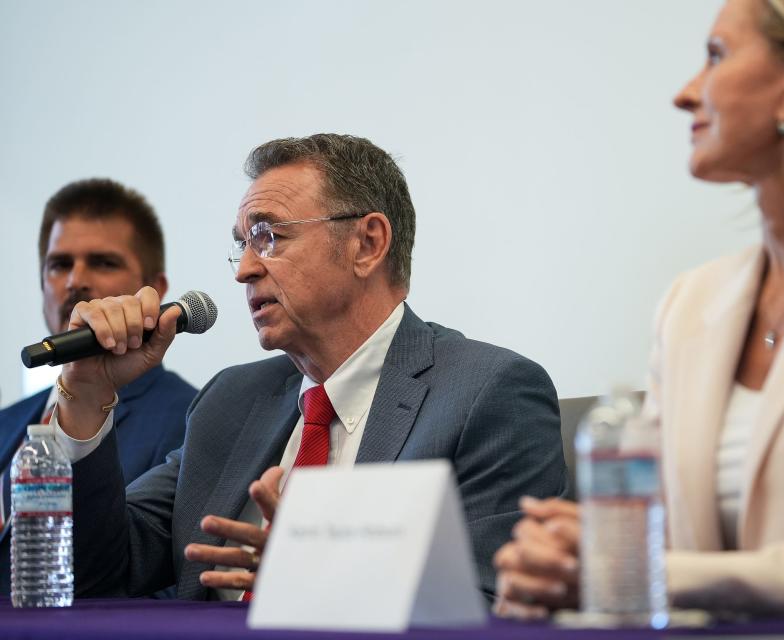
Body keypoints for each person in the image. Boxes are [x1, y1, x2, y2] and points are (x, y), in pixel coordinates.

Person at [494, 0, 784, 619]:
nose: (685, 95)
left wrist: (660, 573)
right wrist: (571, 559)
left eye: (716, 56)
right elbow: (653, 546)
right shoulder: (690, 304)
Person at [54, 134, 566, 601]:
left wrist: (312, 576)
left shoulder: (487, 393)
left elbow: (490, 602)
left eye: (269, 236)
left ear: (367, 243)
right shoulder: (230, 400)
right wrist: (86, 395)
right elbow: (93, 577)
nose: (246, 270)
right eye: (242, 243)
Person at [0, 179, 196, 596]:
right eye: (59, 265)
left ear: (154, 291)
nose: (76, 281)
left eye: (103, 263)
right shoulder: (7, 423)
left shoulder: (191, 418)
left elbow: (168, 583)